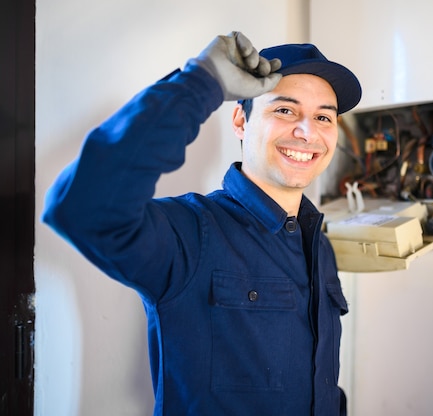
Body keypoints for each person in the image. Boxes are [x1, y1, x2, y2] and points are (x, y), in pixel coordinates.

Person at [42, 31, 361, 415]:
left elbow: (319, 384)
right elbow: (82, 208)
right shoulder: (191, 233)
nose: (307, 132)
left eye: (323, 116)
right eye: (285, 110)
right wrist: (202, 81)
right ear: (241, 121)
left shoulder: (318, 245)